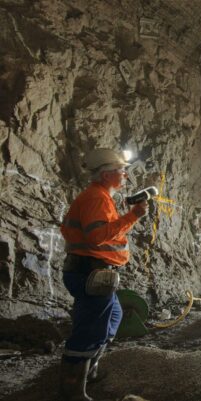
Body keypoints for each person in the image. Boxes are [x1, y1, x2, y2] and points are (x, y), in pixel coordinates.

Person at [59, 148, 148, 401]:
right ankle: (72, 391)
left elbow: (104, 233)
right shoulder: (96, 198)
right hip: (88, 271)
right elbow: (97, 236)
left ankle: (89, 371)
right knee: (89, 330)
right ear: (107, 175)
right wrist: (133, 216)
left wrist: (129, 218)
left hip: (93, 271)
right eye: (122, 171)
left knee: (113, 317)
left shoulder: (102, 197)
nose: (125, 176)